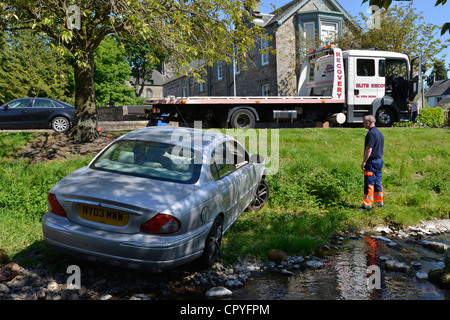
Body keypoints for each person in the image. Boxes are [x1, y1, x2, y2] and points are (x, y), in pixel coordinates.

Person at [360, 115, 384, 210]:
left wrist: (364, 162)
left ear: (369, 122)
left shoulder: (371, 134)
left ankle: (367, 205)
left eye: (364, 122)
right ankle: (379, 203)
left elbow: (369, 149)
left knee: (369, 183)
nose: (363, 124)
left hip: (372, 162)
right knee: (378, 182)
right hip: (379, 161)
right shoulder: (379, 133)